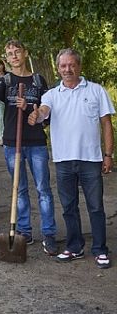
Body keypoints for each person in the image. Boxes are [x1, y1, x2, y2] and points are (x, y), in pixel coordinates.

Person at [28, 48, 114, 269]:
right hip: (63, 159)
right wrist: (37, 114)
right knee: (68, 207)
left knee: (95, 207)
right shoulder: (51, 95)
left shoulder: (96, 91)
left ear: (79, 66)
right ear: (58, 69)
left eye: (71, 65)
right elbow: (44, 111)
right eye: (63, 66)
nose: (67, 69)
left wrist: (108, 155)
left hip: (90, 159)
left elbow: (106, 124)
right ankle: (75, 247)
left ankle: (100, 250)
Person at [0, 39, 57, 255]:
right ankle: (24, 231)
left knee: (43, 189)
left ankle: (49, 233)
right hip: (12, 143)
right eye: (10, 53)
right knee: (19, 189)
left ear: (25, 53)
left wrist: (37, 114)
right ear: (6, 58)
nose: (14, 56)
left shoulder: (38, 80)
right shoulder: (4, 80)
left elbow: (48, 111)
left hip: (36, 143)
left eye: (17, 51)